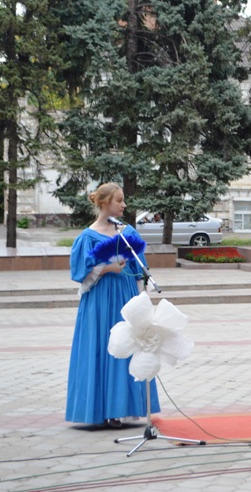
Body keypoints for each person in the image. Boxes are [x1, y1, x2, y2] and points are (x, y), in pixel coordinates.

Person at [66, 182, 160, 428]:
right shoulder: (87, 237)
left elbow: (140, 267)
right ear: (105, 203)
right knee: (101, 346)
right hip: (99, 301)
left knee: (128, 345)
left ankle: (122, 408)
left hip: (125, 298)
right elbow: (79, 272)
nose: (124, 205)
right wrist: (108, 267)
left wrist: (143, 296)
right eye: (119, 200)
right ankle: (98, 410)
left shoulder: (127, 233)